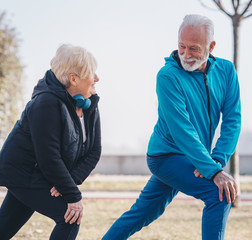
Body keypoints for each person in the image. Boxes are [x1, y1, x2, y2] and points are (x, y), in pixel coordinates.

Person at [102, 14, 241, 240]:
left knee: (144, 212)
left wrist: (216, 160)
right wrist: (213, 171)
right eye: (181, 47)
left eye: (194, 48)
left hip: (196, 157)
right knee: (219, 193)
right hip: (167, 156)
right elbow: (181, 130)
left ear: (211, 46)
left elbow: (232, 121)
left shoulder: (226, 72)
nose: (186, 55)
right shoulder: (168, 76)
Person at [0, 44, 101, 240]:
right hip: (23, 172)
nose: (97, 78)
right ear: (73, 79)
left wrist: (68, 181)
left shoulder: (89, 104)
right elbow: (48, 156)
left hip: (43, 173)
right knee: (69, 216)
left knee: (0, 233)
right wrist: (72, 195)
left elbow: (94, 150)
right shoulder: (46, 103)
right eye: (91, 73)